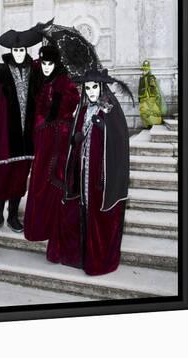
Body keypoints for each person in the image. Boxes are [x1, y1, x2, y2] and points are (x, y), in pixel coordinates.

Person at [47, 67, 134, 276]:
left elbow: (119, 139)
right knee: (83, 209)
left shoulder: (110, 110)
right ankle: (83, 253)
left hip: (100, 175)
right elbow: (76, 137)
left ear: (102, 87)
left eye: (95, 87)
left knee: (97, 211)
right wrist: (75, 139)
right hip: (83, 172)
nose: (91, 91)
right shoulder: (84, 110)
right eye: (88, 87)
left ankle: (98, 257)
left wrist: (103, 127)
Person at [0, 27, 42, 235]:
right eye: (16, 51)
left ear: (26, 51)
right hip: (3, 136)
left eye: (22, 50)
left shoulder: (35, 73)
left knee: (19, 176)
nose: (19, 54)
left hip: (26, 136)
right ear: (11, 51)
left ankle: (12, 216)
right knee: (0, 176)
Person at [24, 45, 80, 242]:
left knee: (54, 177)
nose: (46, 67)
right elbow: (38, 107)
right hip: (43, 138)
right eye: (44, 64)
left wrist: (58, 108)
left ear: (56, 63)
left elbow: (73, 102)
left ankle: (53, 225)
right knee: (39, 178)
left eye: (50, 64)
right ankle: (39, 226)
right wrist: (40, 123)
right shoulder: (44, 80)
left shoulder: (65, 81)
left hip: (58, 139)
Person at [138, 59, 166, 128]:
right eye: (144, 70)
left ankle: (154, 124)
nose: (144, 71)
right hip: (143, 98)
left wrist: (156, 95)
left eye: (146, 70)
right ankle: (148, 125)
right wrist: (139, 97)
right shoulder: (141, 78)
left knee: (153, 110)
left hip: (151, 97)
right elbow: (140, 88)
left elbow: (155, 87)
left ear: (148, 70)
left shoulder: (151, 78)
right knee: (144, 111)